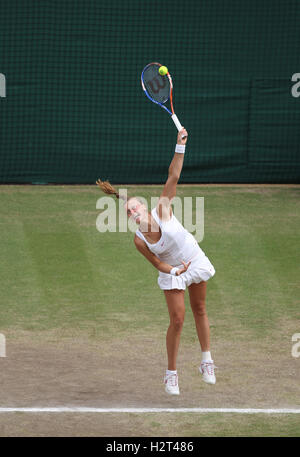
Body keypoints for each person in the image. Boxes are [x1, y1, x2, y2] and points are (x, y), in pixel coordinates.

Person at [96, 127, 216, 395]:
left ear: (144, 206)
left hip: (193, 258)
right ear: (129, 218)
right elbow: (158, 264)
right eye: (129, 212)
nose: (134, 211)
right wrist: (175, 270)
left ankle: (206, 361)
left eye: (136, 206)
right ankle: (171, 374)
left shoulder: (162, 208)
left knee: (200, 308)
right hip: (175, 269)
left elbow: (174, 175)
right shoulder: (139, 240)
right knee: (177, 320)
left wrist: (180, 145)